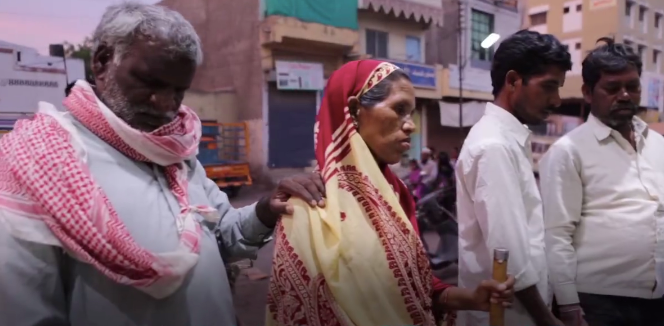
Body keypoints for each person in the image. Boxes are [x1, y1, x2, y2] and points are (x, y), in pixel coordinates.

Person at [0, 3, 325, 326]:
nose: (166, 104)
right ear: (101, 62)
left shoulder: (176, 152)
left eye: (178, 91)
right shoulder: (41, 160)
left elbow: (223, 234)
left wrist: (266, 210)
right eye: (150, 82)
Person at [266, 60, 515, 326]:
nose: (411, 126)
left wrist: (468, 298)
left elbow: (413, 286)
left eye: (411, 114)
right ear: (354, 110)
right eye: (399, 110)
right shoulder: (311, 202)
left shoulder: (397, 193)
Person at [540, 37, 664, 326]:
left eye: (632, 87)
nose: (624, 95)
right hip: (599, 302)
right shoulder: (568, 151)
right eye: (612, 88)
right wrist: (569, 304)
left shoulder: (658, 145)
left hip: (658, 300)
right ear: (588, 92)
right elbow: (556, 234)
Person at [455, 30, 572, 326]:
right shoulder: (494, 146)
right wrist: (547, 320)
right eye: (548, 87)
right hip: (510, 318)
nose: (556, 100)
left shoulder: (508, 139)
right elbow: (509, 259)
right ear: (512, 81)